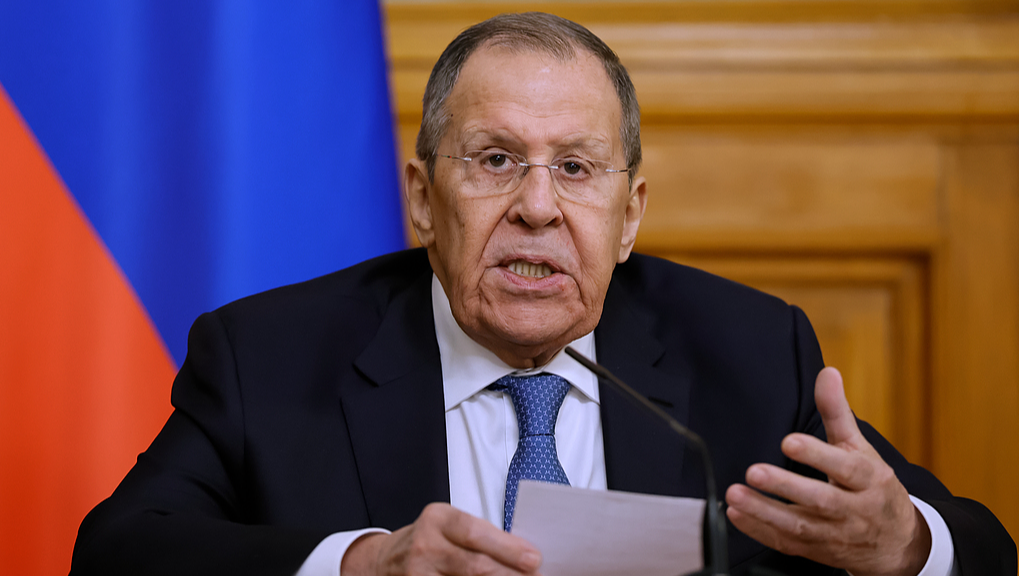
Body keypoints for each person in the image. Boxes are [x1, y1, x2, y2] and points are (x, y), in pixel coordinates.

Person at [70, 12, 1015, 576]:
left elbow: (983, 549)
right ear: (421, 200)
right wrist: (364, 564)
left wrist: (901, 547)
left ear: (631, 213)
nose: (536, 208)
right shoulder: (268, 356)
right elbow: (114, 555)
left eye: (575, 167)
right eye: (494, 161)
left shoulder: (751, 351)